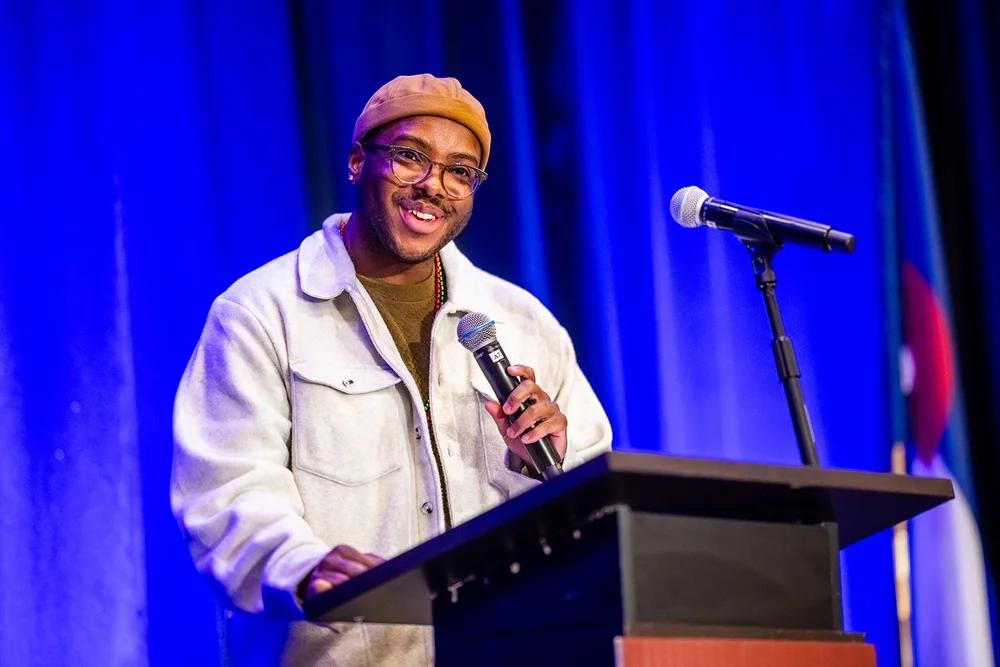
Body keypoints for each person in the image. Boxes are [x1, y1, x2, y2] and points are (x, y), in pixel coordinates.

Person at [171, 73, 613, 666]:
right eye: (410, 157)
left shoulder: (521, 321)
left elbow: (596, 505)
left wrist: (544, 466)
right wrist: (301, 568)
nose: (434, 186)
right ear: (357, 162)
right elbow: (225, 492)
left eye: (460, 171)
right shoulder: (261, 314)